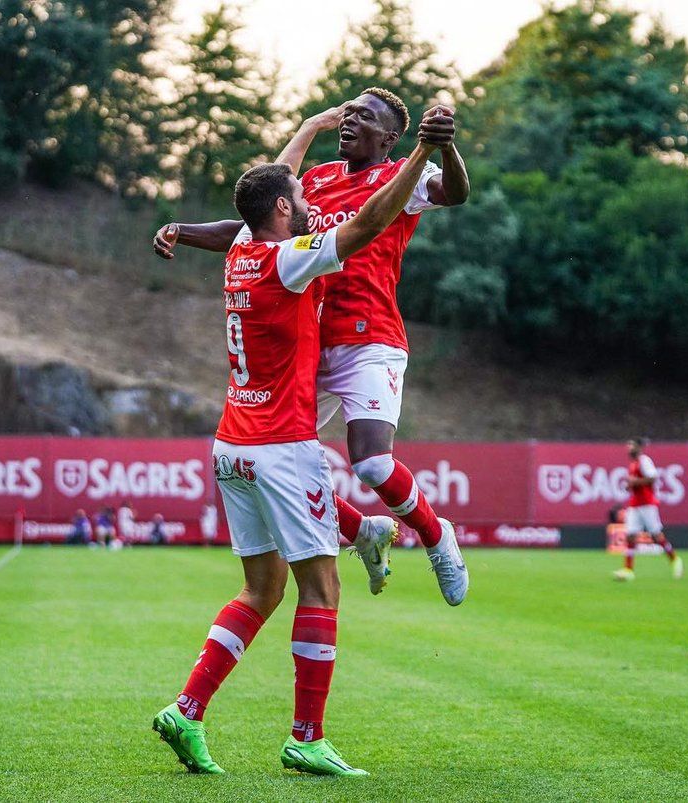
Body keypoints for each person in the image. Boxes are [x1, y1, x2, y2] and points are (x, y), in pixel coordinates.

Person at [153, 128, 440, 777]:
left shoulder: (242, 250)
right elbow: (366, 224)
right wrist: (416, 156)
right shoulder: (288, 259)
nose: (310, 196)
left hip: (232, 445)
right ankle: (306, 736)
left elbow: (270, 187)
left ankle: (187, 708)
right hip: (283, 446)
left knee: (262, 588)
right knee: (322, 586)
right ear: (284, 209)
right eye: (299, 195)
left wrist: (308, 128)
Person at [154, 88, 470, 605]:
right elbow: (255, 224)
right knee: (285, 458)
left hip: (370, 340)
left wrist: (445, 148)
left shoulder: (400, 178)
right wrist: (182, 231)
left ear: (390, 138)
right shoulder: (317, 180)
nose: (349, 122)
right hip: (311, 344)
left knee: (370, 464)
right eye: (347, 114)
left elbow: (454, 193)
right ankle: (366, 533)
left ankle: (438, 538)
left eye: (363, 118)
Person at [614, 438, 683, 581]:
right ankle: (628, 570)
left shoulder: (644, 461)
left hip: (647, 503)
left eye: (631, 445)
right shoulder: (633, 464)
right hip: (635, 503)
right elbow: (639, 482)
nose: (628, 448)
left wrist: (635, 482)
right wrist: (631, 486)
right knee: (630, 535)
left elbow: (652, 478)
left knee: (656, 536)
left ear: (638, 447)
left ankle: (675, 560)